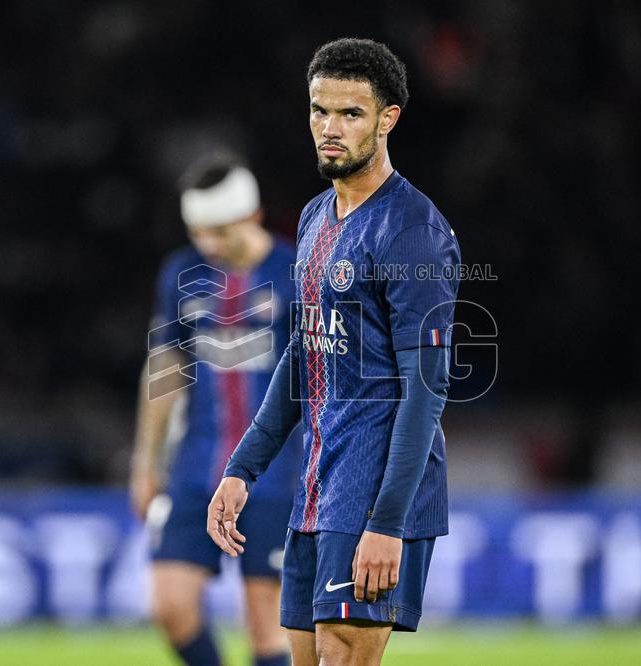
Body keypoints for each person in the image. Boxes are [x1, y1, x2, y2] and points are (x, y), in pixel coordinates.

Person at [207, 38, 461, 666]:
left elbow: (425, 391)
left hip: (374, 499)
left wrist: (388, 523)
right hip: (316, 492)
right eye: (320, 110)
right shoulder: (319, 217)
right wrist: (243, 467)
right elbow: (303, 355)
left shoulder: (412, 232)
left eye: (350, 114)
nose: (329, 128)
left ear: (387, 119)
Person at [132, 153, 301, 666]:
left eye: (219, 231)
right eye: (198, 231)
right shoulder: (181, 274)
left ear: (252, 217)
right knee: (171, 605)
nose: (207, 244)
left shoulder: (297, 273)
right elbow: (164, 370)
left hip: (278, 472)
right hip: (197, 466)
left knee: (266, 621)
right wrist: (146, 461)